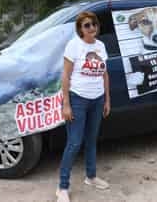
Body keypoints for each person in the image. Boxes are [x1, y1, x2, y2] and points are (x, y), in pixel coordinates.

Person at [56, 11, 111, 202]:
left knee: (91, 140)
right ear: (80, 28)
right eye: (87, 25)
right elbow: (65, 75)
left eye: (94, 24)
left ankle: (91, 176)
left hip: (97, 99)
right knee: (74, 143)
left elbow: (104, 74)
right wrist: (66, 104)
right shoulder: (74, 46)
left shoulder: (101, 46)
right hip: (78, 99)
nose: (91, 28)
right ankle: (62, 187)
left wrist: (107, 100)